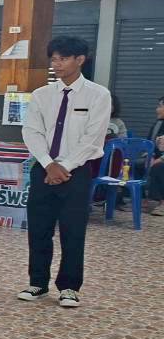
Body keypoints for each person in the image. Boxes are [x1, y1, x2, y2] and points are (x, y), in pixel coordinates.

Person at [19, 35, 112, 308]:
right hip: (43, 169)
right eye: (53, 59)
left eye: (63, 59)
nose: (56, 64)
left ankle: (69, 287)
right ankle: (38, 283)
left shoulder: (98, 95)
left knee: (73, 230)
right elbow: (31, 131)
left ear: (79, 60)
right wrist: (48, 164)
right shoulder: (42, 95)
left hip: (77, 172)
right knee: (39, 228)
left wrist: (64, 166)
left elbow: (93, 139)